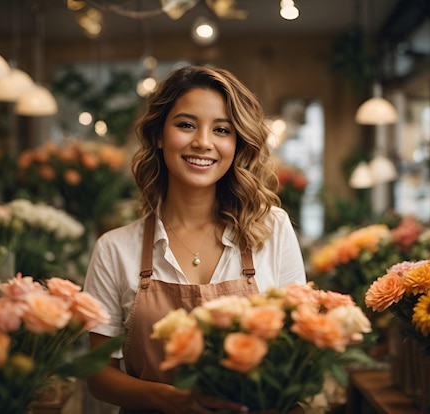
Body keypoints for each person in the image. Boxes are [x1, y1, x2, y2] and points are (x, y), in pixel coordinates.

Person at [84, 64, 307, 414]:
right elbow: (98, 374)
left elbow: (300, 349)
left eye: (222, 129)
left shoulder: (272, 230)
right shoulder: (115, 249)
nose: (203, 142)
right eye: (186, 125)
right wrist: (170, 400)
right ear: (159, 135)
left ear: (237, 143)